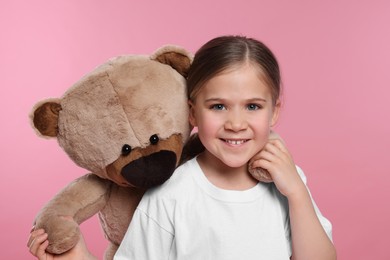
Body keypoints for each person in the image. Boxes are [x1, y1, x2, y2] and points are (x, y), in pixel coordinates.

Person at [28, 35, 336, 260]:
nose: (236, 123)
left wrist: (296, 192)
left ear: (275, 112)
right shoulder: (171, 194)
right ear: (192, 113)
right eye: (218, 106)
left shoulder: (287, 180)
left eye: (253, 106)